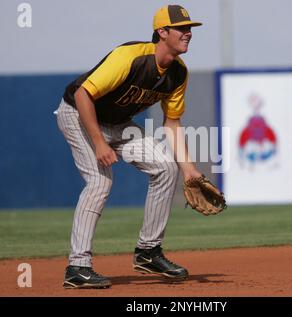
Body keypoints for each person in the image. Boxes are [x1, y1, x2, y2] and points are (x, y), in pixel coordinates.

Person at [55, 4, 203, 289]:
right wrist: (98, 143)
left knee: (166, 167)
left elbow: (172, 123)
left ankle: (148, 252)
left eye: (190, 29)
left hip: (119, 122)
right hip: (77, 113)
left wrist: (190, 170)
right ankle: (78, 266)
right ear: (162, 32)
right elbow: (83, 93)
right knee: (100, 181)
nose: (188, 34)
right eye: (182, 28)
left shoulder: (178, 74)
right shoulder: (131, 57)